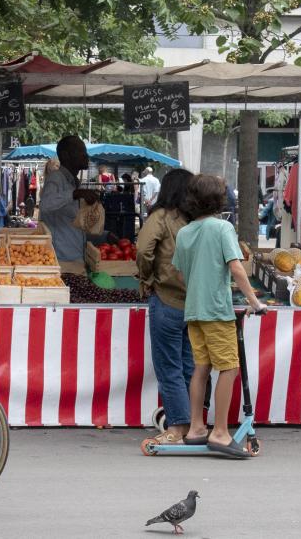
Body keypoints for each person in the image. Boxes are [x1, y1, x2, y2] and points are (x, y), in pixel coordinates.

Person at [171, 174, 264, 458]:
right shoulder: (223, 228)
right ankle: (221, 432)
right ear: (218, 200)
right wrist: (255, 301)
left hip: (194, 311)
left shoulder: (184, 232)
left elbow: (178, 271)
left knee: (201, 367)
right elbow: (236, 268)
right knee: (229, 367)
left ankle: (197, 427)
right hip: (216, 310)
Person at [136, 168, 194, 446]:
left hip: (167, 300)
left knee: (170, 368)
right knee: (190, 366)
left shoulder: (160, 218)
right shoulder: (197, 220)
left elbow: (143, 250)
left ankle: (177, 428)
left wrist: (147, 278)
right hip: (194, 303)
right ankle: (195, 425)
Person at [40, 136, 100, 273]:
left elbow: (76, 223)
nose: (86, 156)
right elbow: (45, 204)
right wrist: (75, 194)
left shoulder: (73, 182)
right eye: (81, 151)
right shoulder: (56, 178)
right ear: (66, 155)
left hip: (75, 259)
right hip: (62, 261)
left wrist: (104, 235)